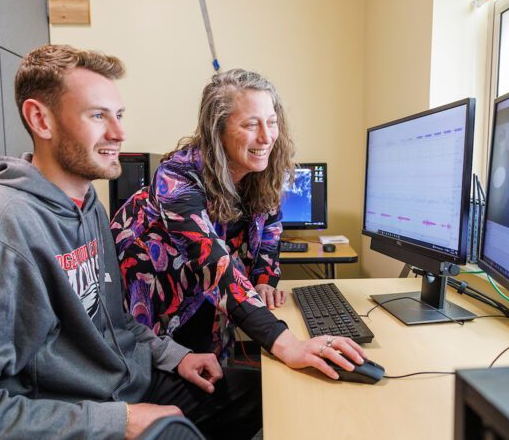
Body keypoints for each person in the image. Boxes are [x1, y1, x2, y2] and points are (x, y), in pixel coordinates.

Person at [0, 44, 264, 439]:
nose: (119, 133)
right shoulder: (5, 230)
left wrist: (176, 356)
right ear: (40, 120)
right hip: (82, 414)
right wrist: (118, 421)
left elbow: (116, 323)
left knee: (257, 394)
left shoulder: (89, 205)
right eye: (97, 115)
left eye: (118, 115)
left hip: (128, 385)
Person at [110, 69, 367, 374]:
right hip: (156, 300)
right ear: (217, 130)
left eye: (272, 122)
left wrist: (263, 279)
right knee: (173, 391)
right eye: (250, 124)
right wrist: (287, 344)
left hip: (207, 299)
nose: (267, 137)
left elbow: (270, 233)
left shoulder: (261, 173)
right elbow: (212, 261)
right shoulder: (177, 177)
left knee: (215, 378)